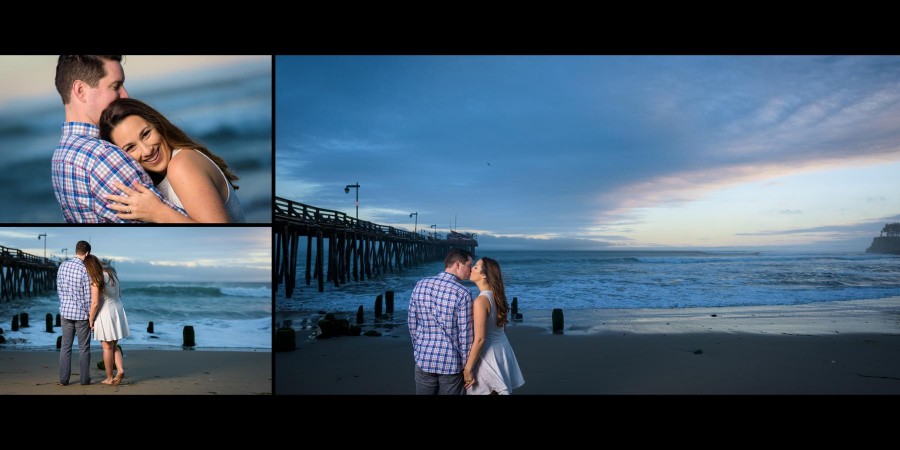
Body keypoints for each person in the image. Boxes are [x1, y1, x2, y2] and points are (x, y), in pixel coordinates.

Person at [51, 55, 186, 223]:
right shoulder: (104, 157)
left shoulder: (61, 157)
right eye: (115, 86)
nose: (125, 95)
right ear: (80, 90)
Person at [99, 98, 246, 223]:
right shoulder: (155, 177)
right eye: (131, 147)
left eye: (146, 134)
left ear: (157, 125)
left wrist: (158, 212)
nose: (147, 150)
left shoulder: (181, 165)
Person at [408, 248, 474, 395]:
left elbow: (412, 324)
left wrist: (418, 350)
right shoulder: (463, 293)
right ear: (458, 264)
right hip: (451, 364)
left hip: (424, 359)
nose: (470, 270)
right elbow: (465, 335)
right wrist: (467, 367)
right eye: (469, 265)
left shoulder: (420, 285)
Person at [463, 257, 524, 395]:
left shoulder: (481, 301)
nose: (472, 268)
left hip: (488, 354)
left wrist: (468, 369)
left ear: (484, 275)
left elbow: (480, 339)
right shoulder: (497, 296)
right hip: (502, 349)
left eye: (476, 267)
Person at [85, 255, 130, 386]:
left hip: (106, 313)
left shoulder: (96, 279)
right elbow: (119, 294)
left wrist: (91, 319)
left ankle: (109, 378)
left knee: (106, 347)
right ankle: (120, 370)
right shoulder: (112, 274)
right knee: (114, 345)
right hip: (118, 309)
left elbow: (95, 303)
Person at [57, 240, 93, 385]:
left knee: (66, 346)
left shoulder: (62, 266)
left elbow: (59, 289)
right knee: (84, 348)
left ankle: (64, 379)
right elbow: (88, 297)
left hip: (65, 312)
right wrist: (90, 315)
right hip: (81, 315)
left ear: (76, 250)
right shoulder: (85, 270)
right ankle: (84, 380)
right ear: (87, 253)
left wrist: (64, 304)